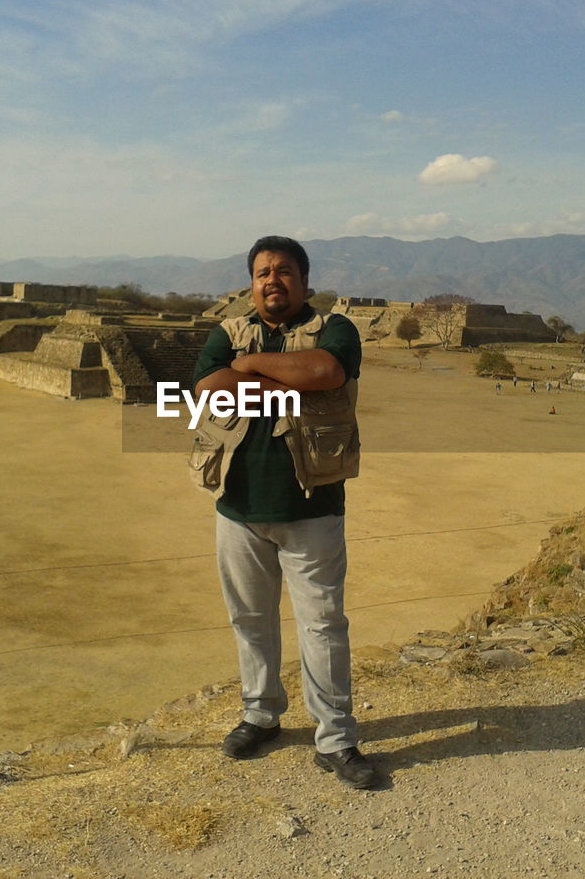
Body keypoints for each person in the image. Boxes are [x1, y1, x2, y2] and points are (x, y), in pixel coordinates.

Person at [190, 236, 376, 790]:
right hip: (238, 507)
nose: (274, 279)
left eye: (285, 271)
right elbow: (207, 386)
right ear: (252, 282)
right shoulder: (226, 331)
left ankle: (336, 738)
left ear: (304, 280)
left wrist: (247, 367)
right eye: (264, 271)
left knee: (322, 625)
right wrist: (274, 373)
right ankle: (261, 715)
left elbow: (325, 372)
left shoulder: (334, 329)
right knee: (250, 621)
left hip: (312, 508)